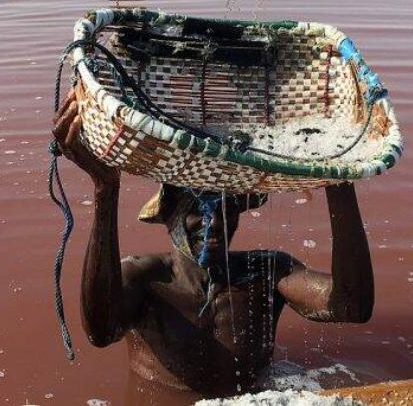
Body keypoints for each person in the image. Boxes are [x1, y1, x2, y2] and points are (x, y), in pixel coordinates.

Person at [52, 87, 375, 396]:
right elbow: (99, 331)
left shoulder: (267, 272)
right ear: (168, 215)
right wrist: (105, 190)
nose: (214, 221)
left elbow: (352, 305)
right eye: (196, 209)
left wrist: (339, 181)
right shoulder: (142, 280)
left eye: (225, 207)